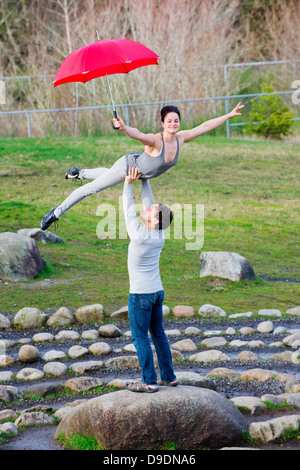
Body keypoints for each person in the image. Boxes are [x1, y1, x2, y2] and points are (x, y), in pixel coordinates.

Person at [40, 102, 244, 230]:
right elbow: (138, 134)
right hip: (129, 167)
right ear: (163, 124)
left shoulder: (181, 139)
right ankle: (57, 212)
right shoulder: (156, 140)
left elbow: (205, 126)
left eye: (176, 120)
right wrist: (123, 127)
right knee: (93, 188)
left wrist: (228, 115)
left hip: (141, 174)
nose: (173, 124)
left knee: (108, 175)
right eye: (169, 121)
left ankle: (79, 173)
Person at [122, 166, 177, 392]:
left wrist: (127, 184)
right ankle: (169, 376)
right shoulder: (159, 233)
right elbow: (148, 203)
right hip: (156, 293)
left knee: (141, 338)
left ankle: (149, 381)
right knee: (158, 334)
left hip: (141, 296)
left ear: (154, 221)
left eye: (151, 211)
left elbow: (127, 211)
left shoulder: (140, 235)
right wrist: (144, 180)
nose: (146, 209)